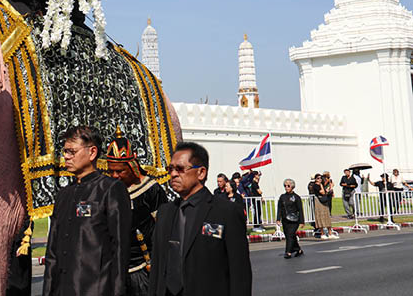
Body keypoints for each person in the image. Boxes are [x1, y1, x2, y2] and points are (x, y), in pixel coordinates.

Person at [148, 142, 251, 296]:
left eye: (180, 169)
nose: (173, 174)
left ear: (201, 173)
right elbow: (157, 268)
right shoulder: (165, 213)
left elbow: (239, 273)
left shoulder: (226, 212)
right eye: (171, 169)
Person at [43, 125, 131, 296]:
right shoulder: (64, 194)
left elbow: (120, 248)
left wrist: (118, 291)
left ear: (92, 153)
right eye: (65, 151)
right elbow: (52, 252)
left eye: (72, 151)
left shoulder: (110, 189)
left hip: (96, 289)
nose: (66, 157)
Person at [105, 127, 167, 296]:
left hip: (143, 268)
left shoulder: (150, 189)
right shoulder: (106, 192)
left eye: (120, 171)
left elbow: (164, 229)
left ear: (132, 167)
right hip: (114, 270)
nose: (115, 176)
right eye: (111, 171)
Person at [275, 179, 304, 259]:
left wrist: (302, 221)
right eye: (285, 186)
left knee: (290, 235)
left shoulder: (296, 197)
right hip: (285, 219)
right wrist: (278, 218)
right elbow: (279, 208)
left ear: (292, 187)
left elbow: (300, 210)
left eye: (288, 186)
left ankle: (288, 252)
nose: (286, 187)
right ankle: (298, 250)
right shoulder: (282, 197)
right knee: (289, 235)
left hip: (294, 220)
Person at [309, 174, 335, 239]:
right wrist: (321, 186)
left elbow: (327, 191)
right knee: (320, 217)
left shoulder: (322, 184)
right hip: (319, 201)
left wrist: (331, 187)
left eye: (320, 178)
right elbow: (323, 192)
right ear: (315, 179)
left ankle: (330, 233)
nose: (320, 179)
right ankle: (322, 233)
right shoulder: (315, 186)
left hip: (324, 201)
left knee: (327, 216)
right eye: (318, 178)